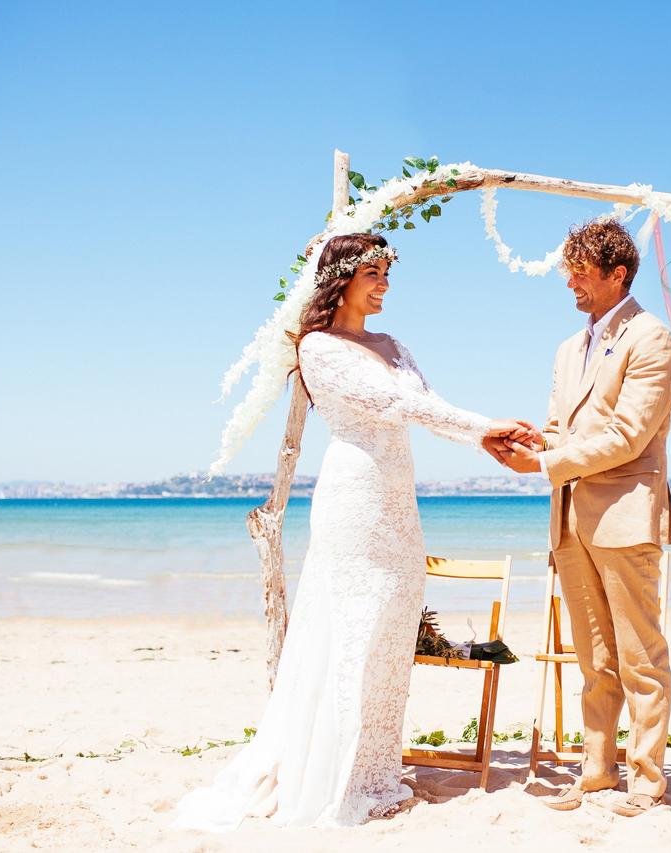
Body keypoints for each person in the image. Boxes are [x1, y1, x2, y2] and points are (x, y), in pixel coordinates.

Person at [175, 233, 532, 830]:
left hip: (399, 498)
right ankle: (336, 776)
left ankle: (376, 772)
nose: (385, 282)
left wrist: (487, 441)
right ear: (342, 278)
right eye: (374, 272)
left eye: (388, 272)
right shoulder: (318, 348)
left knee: (390, 635)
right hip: (354, 497)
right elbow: (394, 405)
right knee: (352, 633)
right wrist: (484, 425)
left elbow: (428, 405)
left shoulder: (395, 344)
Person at [487, 219, 671, 817]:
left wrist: (545, 461)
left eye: (580, 270)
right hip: (569, 518)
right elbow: (560, 429)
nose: (569, 281)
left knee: (639, 657)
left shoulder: (652, 339)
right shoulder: (567, 348)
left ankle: (647, 780)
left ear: (616, 273)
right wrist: (526, 442)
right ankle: (596, 771)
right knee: (593, 658)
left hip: (626, 516)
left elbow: (628, 435)